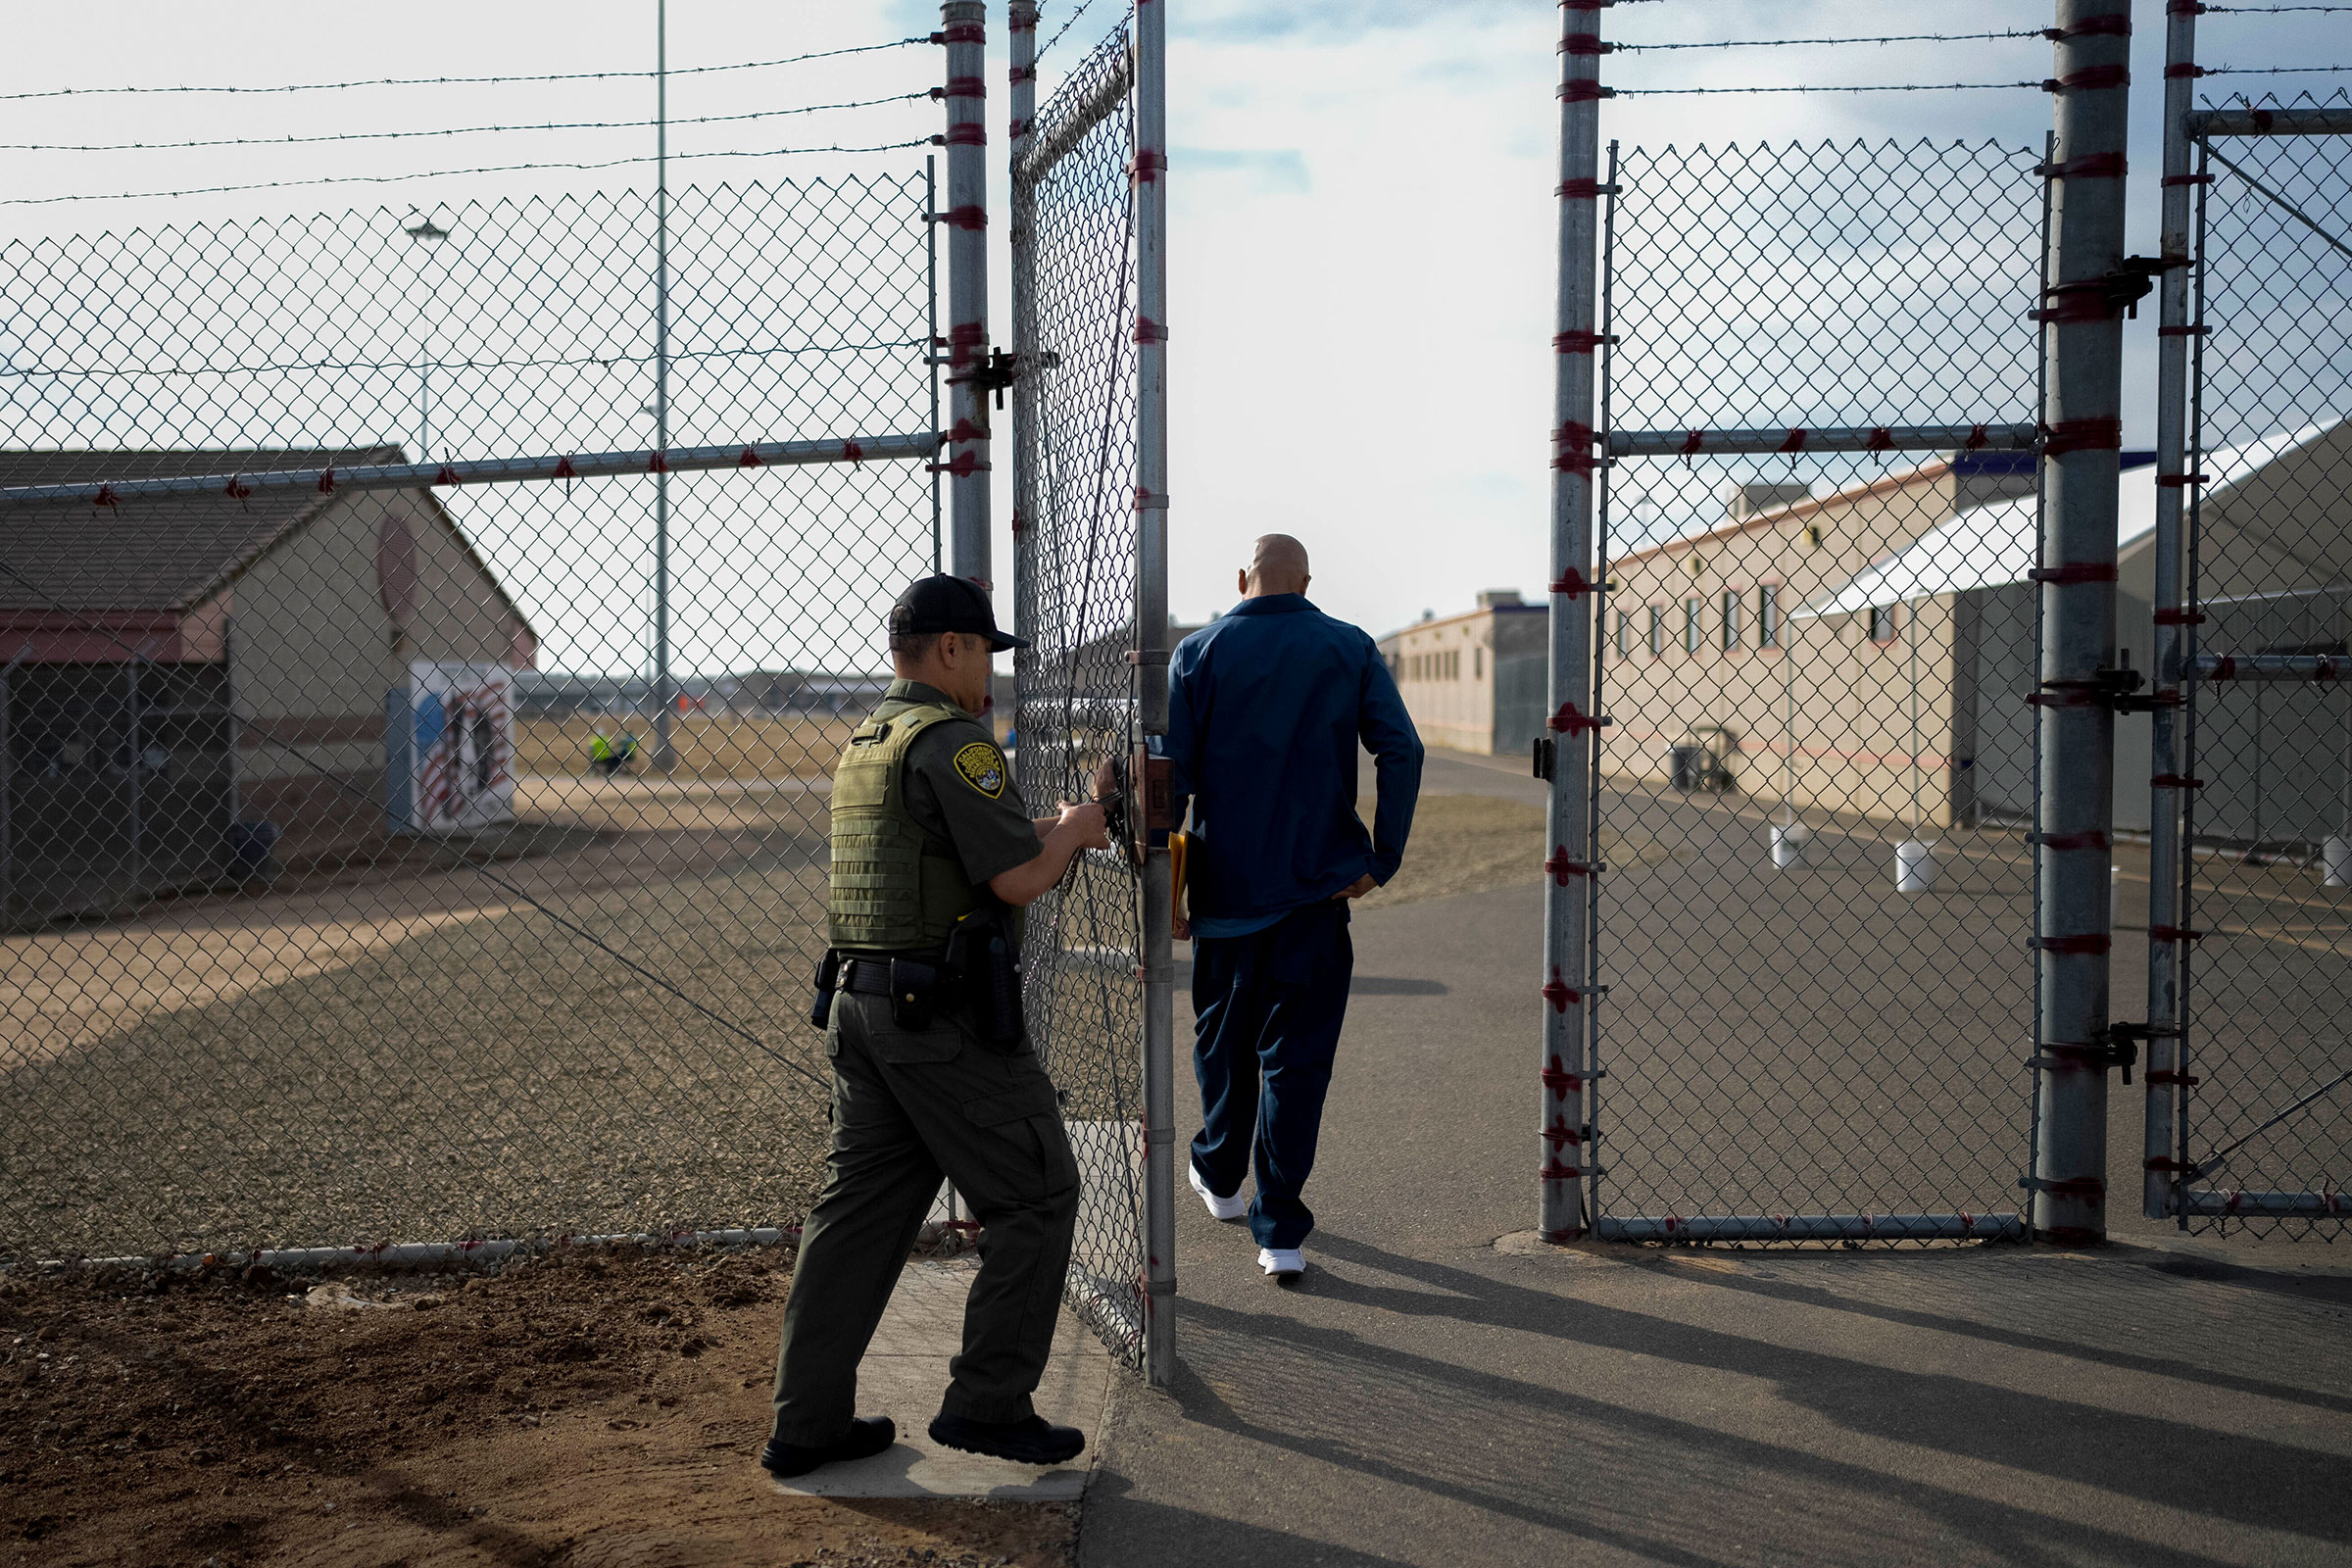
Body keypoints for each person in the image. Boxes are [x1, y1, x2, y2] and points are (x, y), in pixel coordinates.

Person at [763, 573, 1114, 1479]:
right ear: (950, 648)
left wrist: (1061, 824)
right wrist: (1076, 833)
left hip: (863, 1010)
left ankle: (806, 1422)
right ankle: (988, 1405)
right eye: (984, 652)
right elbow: (1015, 879)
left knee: (856, 1217)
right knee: (1036, 1194)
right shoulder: (957, 741)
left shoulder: (871, 740)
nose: (989, 672)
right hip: (940, 1021)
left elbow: (954, 848)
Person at [1161, 534, 1423, 1282]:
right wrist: (1381, 858)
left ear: (1240, 577)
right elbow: (1401, 750)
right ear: (1306, 583)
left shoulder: (1198, 654)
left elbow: (1172, 782)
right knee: (1295, 1064)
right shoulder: (1348, 646)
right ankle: (1279, 1231)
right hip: (1315, 895)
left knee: (1222, 1047)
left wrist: (1170, 892)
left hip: (1226, 896)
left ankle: (1218, 1171)